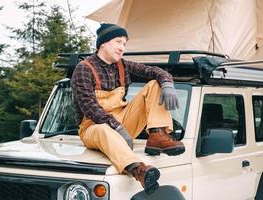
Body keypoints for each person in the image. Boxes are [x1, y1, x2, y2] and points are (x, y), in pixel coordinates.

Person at [71, 23, 185, 194]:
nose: (122, 48)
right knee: (103, 128)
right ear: (103, 43)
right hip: (92, 128)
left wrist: (167, 83)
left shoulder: (123, 66)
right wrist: (116, 127)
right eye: (118, 42)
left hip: (122, 121)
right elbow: (89, 108)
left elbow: (154, 71)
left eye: (124, 44)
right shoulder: (84, 69)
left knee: (155, 83)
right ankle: (139, 170)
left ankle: (158, 135)